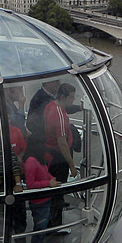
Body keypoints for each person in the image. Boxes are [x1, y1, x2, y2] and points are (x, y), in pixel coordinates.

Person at [42, 83, 79, 227]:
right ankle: (54, 224)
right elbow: (62, 143)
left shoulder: (50, 106)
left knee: (53, 190)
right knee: (58, 190)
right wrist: (72, 165)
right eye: (71, 98)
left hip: (50, 154)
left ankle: (51, 220)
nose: (73, 100)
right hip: (59, 158)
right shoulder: (59, 115)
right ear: (63, 97)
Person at [21, 134, 59, 243]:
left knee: (41, 229)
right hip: (39, 201)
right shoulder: (31, 162)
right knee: (39, 229)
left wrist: (50, 178)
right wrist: (49, 183)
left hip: (44, 199)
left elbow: (44, 173)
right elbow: (30, 185)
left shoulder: (37, 159)